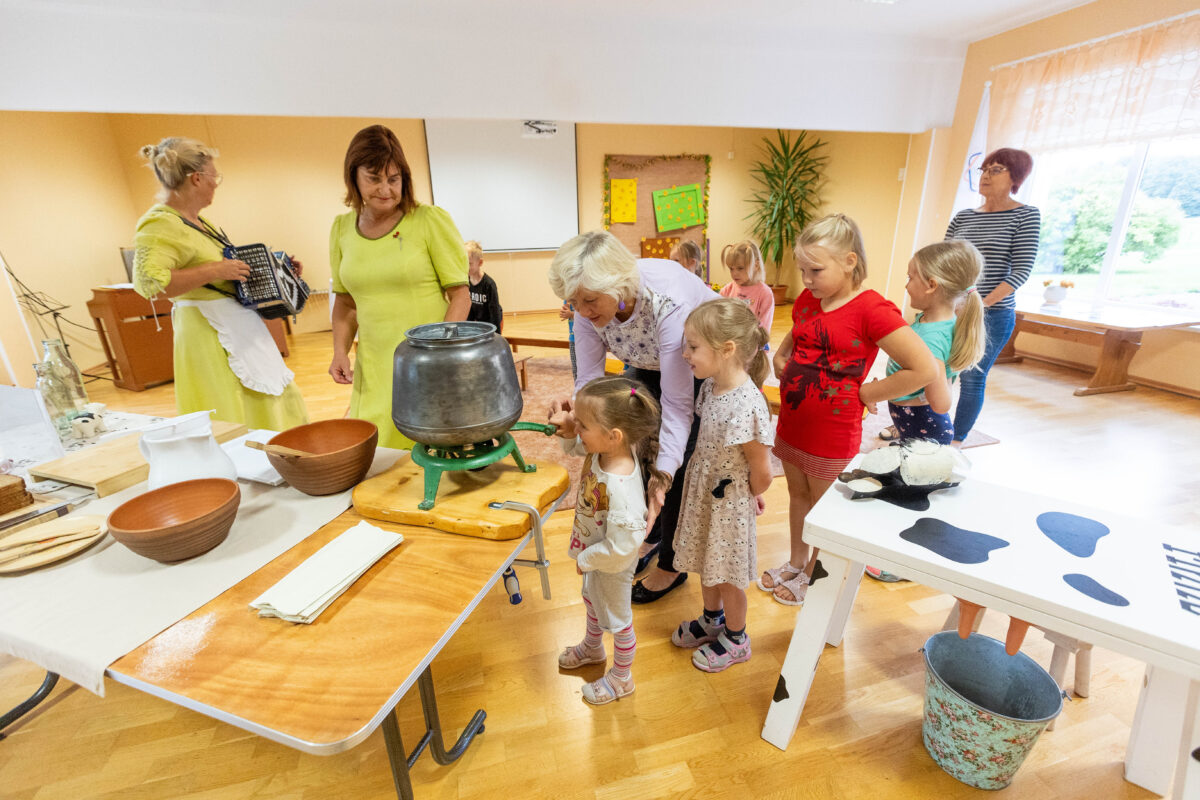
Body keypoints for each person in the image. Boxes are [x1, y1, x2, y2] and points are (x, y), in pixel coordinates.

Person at [761, 214, 938, 605]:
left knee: (825, 507)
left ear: (850, 261)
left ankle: (814, 574)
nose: (806, 280)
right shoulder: (809, 299)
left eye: (815, 270)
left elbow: (923, 368)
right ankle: (796, 561)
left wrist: (866, 391)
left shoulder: (872, 309)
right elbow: (799, 331)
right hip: (793, 419)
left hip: (832, 428)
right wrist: (782, 353)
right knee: (796, 493)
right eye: (802, 269)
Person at [547, 231, 718, 604]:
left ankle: (671, 565)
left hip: (708, 362)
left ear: (617, 284)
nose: (583, 311)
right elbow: (590, 383)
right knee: (627, 439)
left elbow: (676, 404)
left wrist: (664, 476)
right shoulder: (587, 307)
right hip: (650, 360)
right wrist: (578, 419)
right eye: (573, 302)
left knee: (680, 464)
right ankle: (649, 535)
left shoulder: (666, 302)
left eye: (589, 300)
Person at [132, 137, 308, 429]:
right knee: (232, 408)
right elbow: (151, 285)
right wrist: (214, 270)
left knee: (268, 399)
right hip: (208, 334)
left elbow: (228, 271)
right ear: (197, 178)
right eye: (216, 177)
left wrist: (280, 269)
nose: (216, 184)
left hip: (236, 326)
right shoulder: (160, 223)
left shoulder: (200, 222)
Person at [328, 125, 470, 449]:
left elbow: (459, 294)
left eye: (394, 179)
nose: (386, 189)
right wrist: (339, 351)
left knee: (432, 449)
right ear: (354, 177)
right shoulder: (340, 229)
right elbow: (346, 303)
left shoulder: (428, 220)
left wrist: (441, 353)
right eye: (374, 178)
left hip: (427, 360)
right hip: (375, 364)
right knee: (382, 455)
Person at [861, 240, 987, 582]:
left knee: (912, 496)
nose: (906, 284)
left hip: (926, 429)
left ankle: (904, 565)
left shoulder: (932, 338)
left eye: (911, 277)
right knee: (906, 486)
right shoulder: (929, 323)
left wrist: (871, 390)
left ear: (932, 286)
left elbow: (941, 402)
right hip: (914, 427)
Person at [670, 299, 774, 672]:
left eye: (693, 347)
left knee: (728, 574)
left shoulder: (748, 405)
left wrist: (751, 497)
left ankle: (736, 637)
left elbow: (761, 471)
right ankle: (711, 620)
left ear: (727, 350)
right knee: (706, 561)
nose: (685, 354)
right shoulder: (710, 387)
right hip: (705, 495)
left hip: (729, 504)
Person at [557, 376, 664, 704]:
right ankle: (592, 647)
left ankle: (622, 679)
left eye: (583, 424)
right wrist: (567, 432)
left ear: (613, 436)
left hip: (611, 565)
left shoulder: (622, 490)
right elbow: (577, 446)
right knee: (591, 599)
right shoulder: (604, 450)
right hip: (595, 554)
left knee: (618, 620)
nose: (578, 427)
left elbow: (624, 547)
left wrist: (586, 559)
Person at [944, 147, 1040, 446]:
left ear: (1016, 177)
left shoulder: (1026, 215)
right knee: (939, 371)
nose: (986, 175)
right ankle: (927, 427)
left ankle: (955, 440)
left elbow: (1020, 272)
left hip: (992, 314)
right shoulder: (963, 216)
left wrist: (977, 304)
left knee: (972, 376)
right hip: (951, 308)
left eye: (996, 170)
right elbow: (943, 260)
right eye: (984, 169)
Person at [719, 240, 775, 335]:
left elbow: (764, 329)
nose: (734, 273)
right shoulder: (727, 289)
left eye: (740, 268)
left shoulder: (765, 293)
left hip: (753, 344)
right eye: (731, 269)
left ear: (756, 265)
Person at [464, 240, 503, 331]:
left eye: (469, 264)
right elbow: (470, 308)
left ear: (480, 263)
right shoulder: (466, 281)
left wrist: (496, 334)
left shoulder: (489, 284)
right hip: (480, 321)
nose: (466, 267)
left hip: (494, 321)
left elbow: (494, 311)